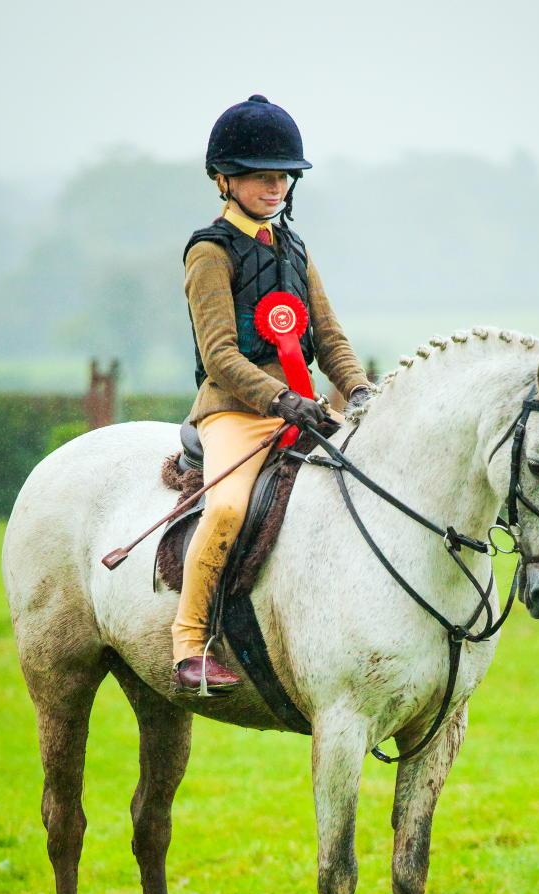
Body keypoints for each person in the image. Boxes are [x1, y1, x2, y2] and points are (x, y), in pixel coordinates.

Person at [171, 94, 373, 695]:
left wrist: (359, 390)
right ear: (224, 179)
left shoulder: (295, 249)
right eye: (262, 176)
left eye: (283, 176)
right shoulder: (209, 252)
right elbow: (219, 355)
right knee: (228, 509)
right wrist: (280, 401)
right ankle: (189, 645)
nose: (276, 186)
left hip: (306, 408)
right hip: (235, 413)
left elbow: (329, 338)